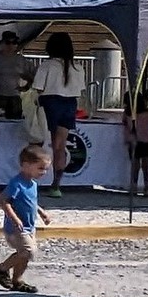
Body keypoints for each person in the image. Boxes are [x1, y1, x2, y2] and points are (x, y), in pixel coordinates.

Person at [32, 32, 87, 198]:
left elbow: (38, 88)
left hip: (50, 102)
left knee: (38, 139)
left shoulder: (47, 65)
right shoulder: (77, 67)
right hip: (70, 104)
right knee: (60, 146)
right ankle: (56, 185)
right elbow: (80, 91)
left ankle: (32, 178)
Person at [0, 144, 53, 293]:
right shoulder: (16, 183)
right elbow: (4, 201)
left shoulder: (32, 184)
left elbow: (30, 201)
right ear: (26, 165)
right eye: (40, 168)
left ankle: (17, 280)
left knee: (25, 255)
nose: (43, 172)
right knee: (28, 251)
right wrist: (14, 218)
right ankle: (2, 268)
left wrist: (41, 212)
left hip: (29, 226)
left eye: (45, 169)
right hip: (16, 228)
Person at [0, 31, 29, 120]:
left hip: (14, 98)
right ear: (1, 44)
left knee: (15, 125)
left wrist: (27, 86)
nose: (11, 45)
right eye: (7, 42)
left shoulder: (21, 60)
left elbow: (34, 74)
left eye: (14, 42)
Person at [131, 98, 148, 196]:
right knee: (145, 165)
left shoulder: (131, 114)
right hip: (146, 141)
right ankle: (146, 186)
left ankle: (135, 186)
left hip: (137, 140)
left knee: (136, 165)